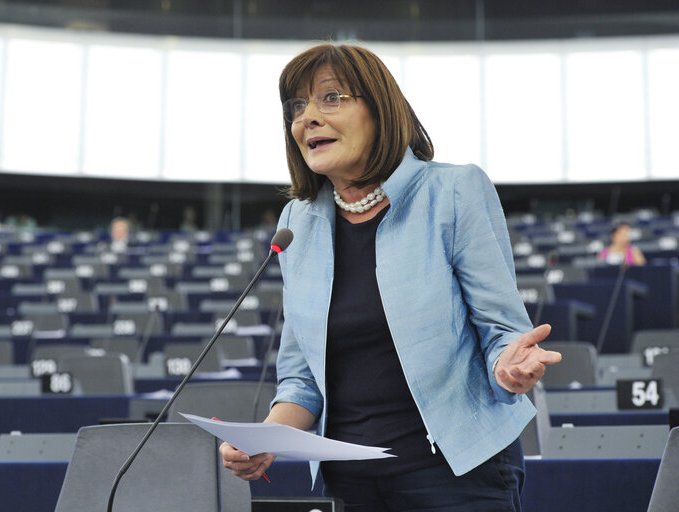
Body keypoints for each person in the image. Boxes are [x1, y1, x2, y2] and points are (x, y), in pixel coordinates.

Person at [220, 43, 562, 511]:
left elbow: (501, 331)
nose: (307, 118)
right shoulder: (298, 221)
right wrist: (265, 439)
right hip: (353, 482)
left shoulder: (452, 190)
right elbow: (301, 380)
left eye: (330, 97)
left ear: (380, 109)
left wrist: (509, 366)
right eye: (296, 107)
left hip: (456, 475)